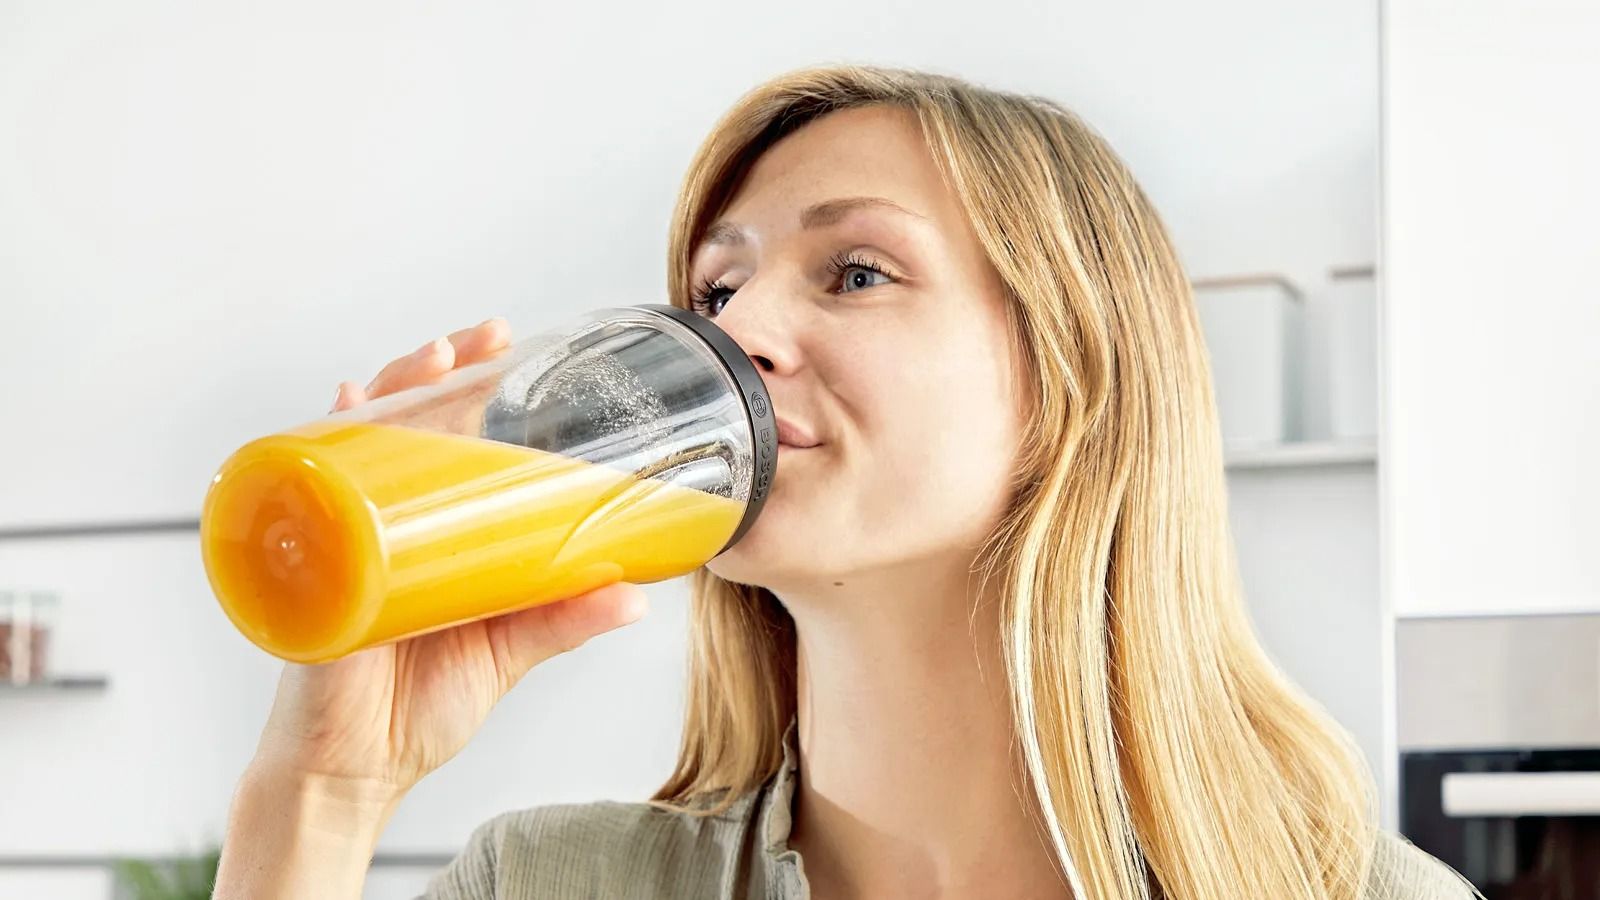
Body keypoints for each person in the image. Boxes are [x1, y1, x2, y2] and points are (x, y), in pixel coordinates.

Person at [212, 65, 1477, 900]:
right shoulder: (552, 883)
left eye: (857, 272)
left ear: (1070, 374)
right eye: (716, 289)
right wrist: (320, 791)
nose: (737, 333)